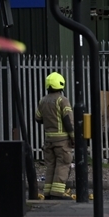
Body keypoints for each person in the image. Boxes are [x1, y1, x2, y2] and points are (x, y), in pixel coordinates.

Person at [34, 72, 74, 200]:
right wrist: (73, 137)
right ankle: (57, 193)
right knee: (63, 164)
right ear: (61, 84)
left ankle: (47, 193)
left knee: (51, 165)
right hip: (62, 140)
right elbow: (67, 120)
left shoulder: (43, 100)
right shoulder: (62, 100)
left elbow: (38, 118)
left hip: (48, 140)